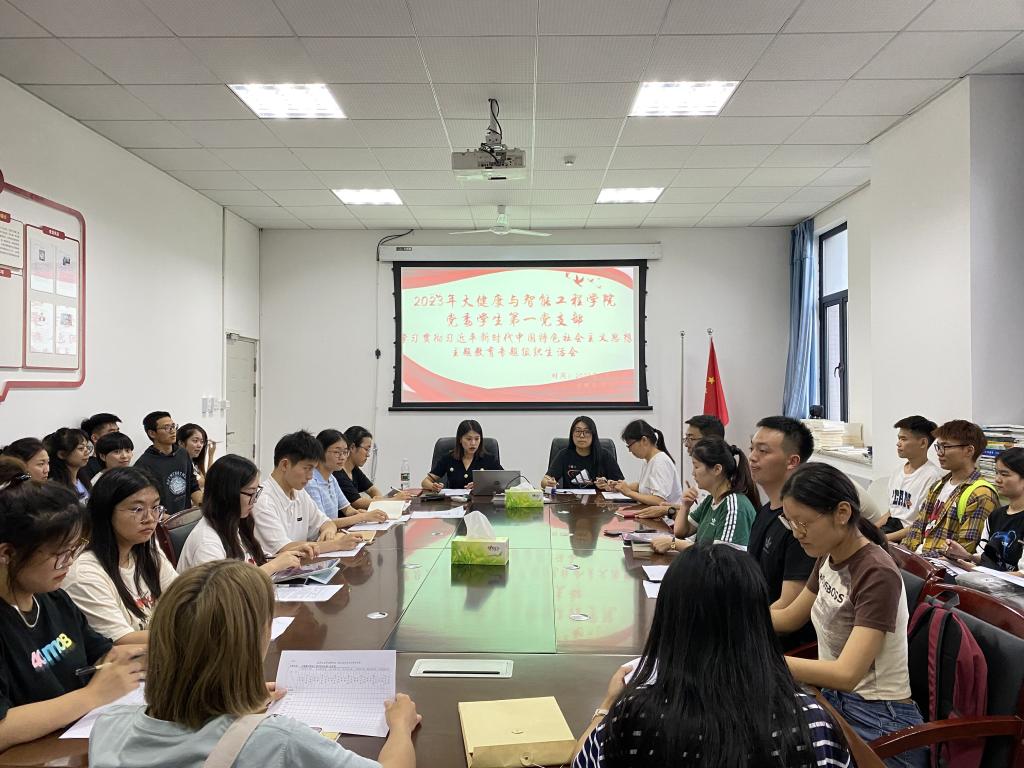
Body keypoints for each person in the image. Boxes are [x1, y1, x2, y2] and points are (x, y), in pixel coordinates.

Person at [89, 559, 421, 768]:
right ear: (251, 641)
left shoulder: (108, 726)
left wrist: (234, 698)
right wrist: (400, 728)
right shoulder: (276, 741)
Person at [572, 543, 851, 768]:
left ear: (669, 621)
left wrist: (607, 705)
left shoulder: (635, 717)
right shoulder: (813, 722)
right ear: (759, 621)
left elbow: (580, 761)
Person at [770, 463, 926, 768]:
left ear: (842, 513)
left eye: (803, 523)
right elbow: (789, 617)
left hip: (878, 720)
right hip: (835, 701)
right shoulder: (829, 554)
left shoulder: (876, 572)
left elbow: (847, 674)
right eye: (791, 523)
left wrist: (761, 661)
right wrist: (731, 618)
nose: (797, 533)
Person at [0, 465, 144, 752]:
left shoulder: (55, 599)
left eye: (75, 549)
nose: (69, 562)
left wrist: (130, 659)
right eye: (60, 553)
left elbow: (101, 653)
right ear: (7, 553)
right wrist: (92, 695)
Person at [64, 468, 177, 645]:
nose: (150, 518)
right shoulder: (84, 573)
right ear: (106, 511)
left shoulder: (147, 551)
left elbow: (182, 598)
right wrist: (188, 632)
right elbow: (123, 640)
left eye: (155, 507)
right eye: (137, 509)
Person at [177, 454, 317, 576]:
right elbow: (222, 590)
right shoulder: (207, 542)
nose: (254, 500)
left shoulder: (233, 524)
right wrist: (274, 566)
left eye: (256, 492)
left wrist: (286, 556)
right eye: (250, 493)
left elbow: (249, 563)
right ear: (227, 495)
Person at [746, 416, 818, 648]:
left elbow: (788, 607)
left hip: (778, 644)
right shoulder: (766, 511)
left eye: (763, 451)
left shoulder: (802, 525)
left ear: (792, 461)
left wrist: (738, 626)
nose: (752, 457)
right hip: (757, 627)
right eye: (752, 448)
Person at [252, 431, 362, 556]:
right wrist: (337, 544)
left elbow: (327, 522)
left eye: (313, 469)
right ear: (285, 464)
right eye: (307, 468)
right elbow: (284, 548)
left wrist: (329, 531)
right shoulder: (263, 500)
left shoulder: (299, 492)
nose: (310, 476)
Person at [902, 419, 998, 557]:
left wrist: (917, 559)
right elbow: (917, 527)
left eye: (946, 447)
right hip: (917, 559)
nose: (939, 453)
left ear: (969, 450)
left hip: (938, 564)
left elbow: (963, 549)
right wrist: (903, 553)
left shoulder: (981, 494)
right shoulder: (938, 485)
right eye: (938, 447)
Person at [651, 437, 760, 553]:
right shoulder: (711, 500)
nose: (693, 473)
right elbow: (681, 531)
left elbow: (722, 556)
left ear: (717, 469)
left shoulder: (734, 506)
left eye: (696, 467)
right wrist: (685, 506)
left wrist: (673, 543)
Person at [947, 447, 1024, 573]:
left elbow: (1022, 575)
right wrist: (967, 556)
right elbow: (985, 558)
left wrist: (980, 571)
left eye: (1004, 474)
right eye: (997, 473)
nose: (997, 479)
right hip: (986, 579)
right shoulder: (995, 516)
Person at [308, 430, 388, 526]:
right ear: (320, 452)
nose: (342, 457)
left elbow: (347, 509)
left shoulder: (332, 479)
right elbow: (323, 523)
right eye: (337, 452)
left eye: (345, 452)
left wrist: (363, 514)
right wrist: (362, 517)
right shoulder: (311, 482)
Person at [883, 416, 944, 542]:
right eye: (899, 438)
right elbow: (891, 512)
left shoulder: (933, 478)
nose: (898, 443)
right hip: (889, 529)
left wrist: (881, 539)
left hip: (908, 538)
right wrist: (869, 531)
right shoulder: (897, 472)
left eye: (903, 439)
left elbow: (921, 524)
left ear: (923, 443)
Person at [133, 411, 202, 515]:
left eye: (173, 426)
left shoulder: (182, 453)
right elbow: (145, 503)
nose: (173, 431)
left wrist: (204, 505)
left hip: (185, 518)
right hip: (162, 520)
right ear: (152, 433)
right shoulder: (144, 464)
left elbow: (192, 485)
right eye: (167, 427)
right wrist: (168, 520)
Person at [605, 420, 683, 506]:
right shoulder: (648, 460)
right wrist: (621, 487)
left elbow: (659, 500)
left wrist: (629, 492)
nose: (629, 450)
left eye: (630, 445)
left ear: (644, 440)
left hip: (665, 514)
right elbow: (643, 486)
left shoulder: (660, 462)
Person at [541, 416, 624, 490]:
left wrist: (608, 485)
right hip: (570, 500)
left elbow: (621, 484)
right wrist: (548, 483)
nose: (581, 436)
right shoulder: (564, 454)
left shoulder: (605, 455)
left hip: (600, 501)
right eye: (578, 431)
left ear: (593, 435)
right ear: (572, 434)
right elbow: (544, 481)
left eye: (587, 432)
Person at [336, 426, 409, 509]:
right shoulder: (338, 473)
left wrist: (379, 499)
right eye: (366, 449)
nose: (368, 455)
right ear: (352, 447)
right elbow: (357, 502)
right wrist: (393, 500)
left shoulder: (354, 469)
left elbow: (372, 489)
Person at [422, 419, 503, 491]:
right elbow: (425, 482)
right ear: (460, 439)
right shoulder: (448, 458)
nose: (473, 443)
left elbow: (505, 483)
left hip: (480, 502)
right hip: (454, 501)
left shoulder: (489, 459)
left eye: (477, 439)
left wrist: (483, 485)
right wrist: (433, 486)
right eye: (468, 439)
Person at [44, 427, 92, 503]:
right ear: (62, 454)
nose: (87, 452)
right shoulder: (54, 488)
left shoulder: (82, 478)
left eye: (87, 447)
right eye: (81, 448)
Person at [79, 413, 121, 483]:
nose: (118, 436)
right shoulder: (86, 466)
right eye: (112, 432)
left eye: (118, 431)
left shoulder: (122, 460)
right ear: (95, 438)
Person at [176, 423, 215, 491]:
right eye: (195, 441)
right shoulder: (179, 465)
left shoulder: (194, 464)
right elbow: (208, 482)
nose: (200, 445)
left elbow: (207, 480)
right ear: (181, 443)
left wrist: (211, 455)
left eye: (202, 442)